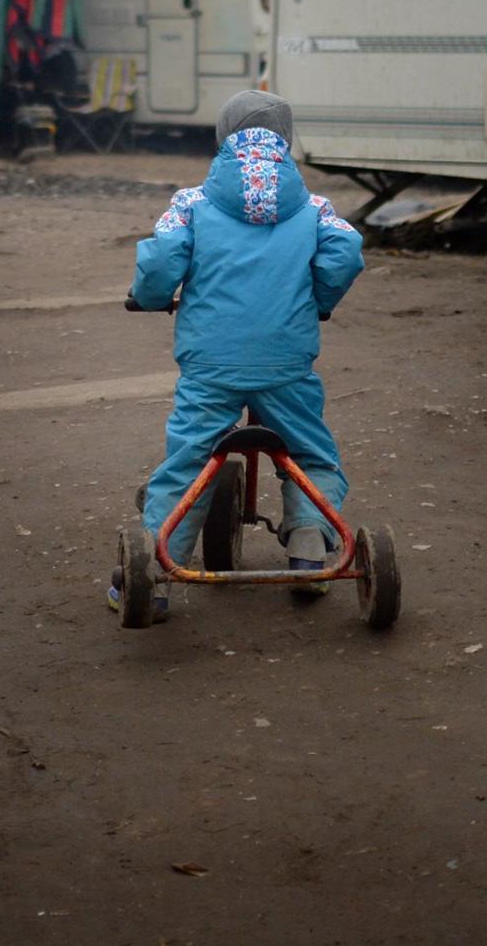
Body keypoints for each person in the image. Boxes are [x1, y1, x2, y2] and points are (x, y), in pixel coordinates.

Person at [116, 90, 364, 618]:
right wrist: (318, 300)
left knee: (187, 461)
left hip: (212, 364)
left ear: (222, 137)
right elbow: (346, 251)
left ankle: (155, 576)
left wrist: (153, 297)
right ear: (287, 139)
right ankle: (308, 553)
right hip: (286, 361)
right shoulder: (315, 208)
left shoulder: (193, 203)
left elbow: (162, 260)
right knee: (309, 453)